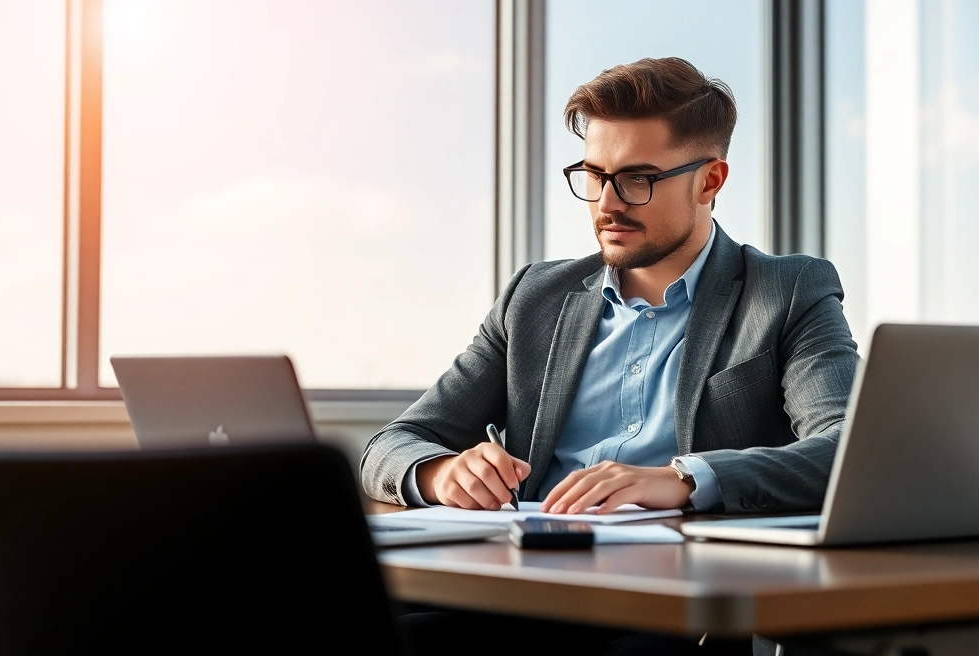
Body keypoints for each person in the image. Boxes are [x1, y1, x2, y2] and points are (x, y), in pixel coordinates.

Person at [362, 57, 859, 655]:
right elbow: (392, 444)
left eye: (637, 179)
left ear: (710, 180)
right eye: (594, 176)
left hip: (671, 609)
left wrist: (684, 479)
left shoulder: (786, 292)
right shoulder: (535, 298)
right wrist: (440, 472)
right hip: (521, 589)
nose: (606, 203)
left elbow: (847, 452)